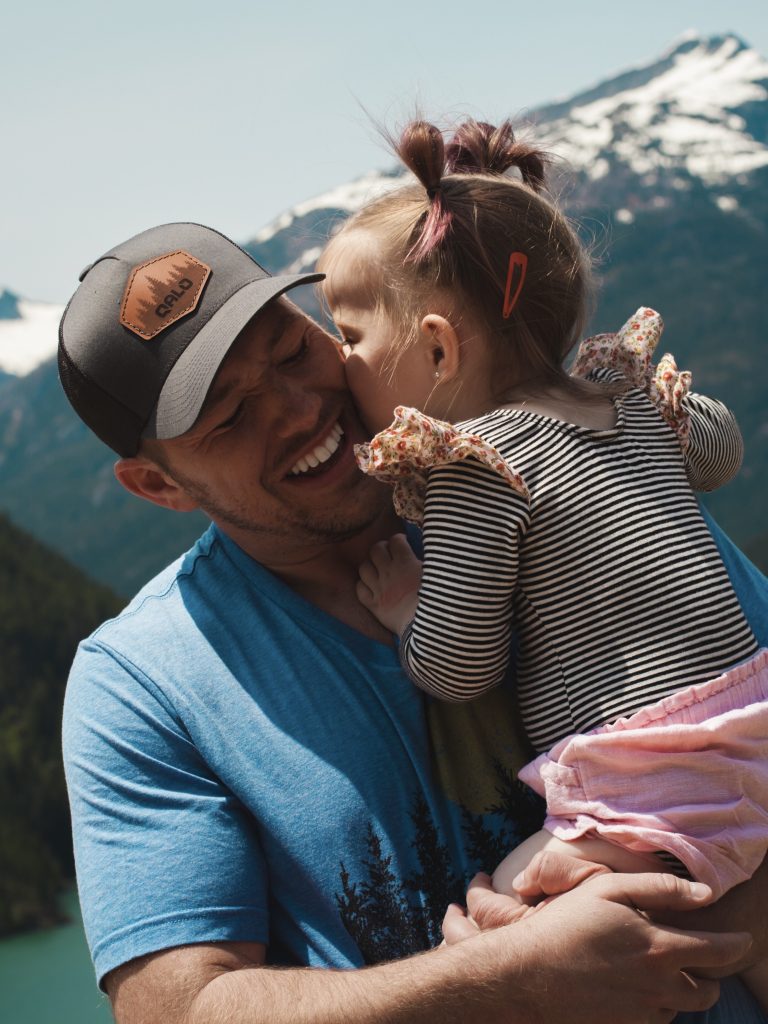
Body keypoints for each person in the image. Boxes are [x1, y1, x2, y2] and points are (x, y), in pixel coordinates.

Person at [58, 220, 768, 1024]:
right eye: (230, 416)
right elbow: (175, 1008)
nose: (299, 410)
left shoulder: (557, 468)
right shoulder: (140, 686)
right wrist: (507, 981)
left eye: (292, 351)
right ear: (158, 485)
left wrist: (716, 908)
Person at [316, 118, 768, 1011]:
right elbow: (719, 455)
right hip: (753, 717)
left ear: (438, 348)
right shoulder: (623, 397)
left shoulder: (477, 468)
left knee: (507, 918)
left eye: (349, 335)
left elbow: (462, 666)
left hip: (646, 778)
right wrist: (673, 417)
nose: (339, 361)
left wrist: (409, 610)